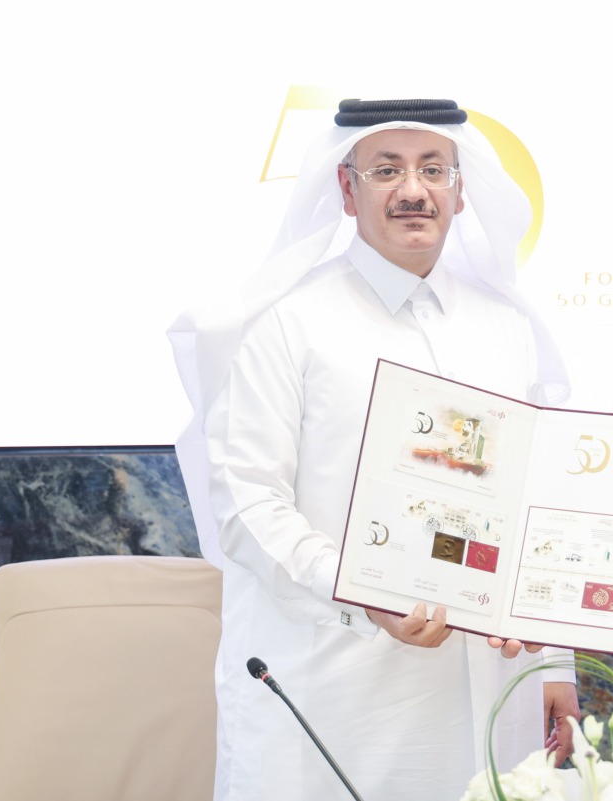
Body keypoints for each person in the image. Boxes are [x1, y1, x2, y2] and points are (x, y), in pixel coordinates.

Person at [168, 99, 579, 801]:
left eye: (432, 169)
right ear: (346, 189)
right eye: (386, 169)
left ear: (460, 188)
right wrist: (364, 592)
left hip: (486, 688)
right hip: (338, 690)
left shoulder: (507, 329)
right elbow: (247, 504)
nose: (413, 190)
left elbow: (536, 506)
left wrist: (554, 666)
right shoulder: (287, 324)